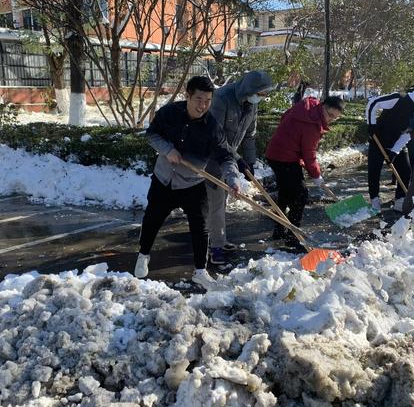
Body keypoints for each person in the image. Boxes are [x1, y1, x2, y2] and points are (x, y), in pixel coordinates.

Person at [134, 76, 240, 288]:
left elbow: (226, 157)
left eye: (207, 101)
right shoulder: (169, 113)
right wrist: (167, 150)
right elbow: (152, 134)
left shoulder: (212, 127)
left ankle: (200, 271)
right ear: (187, 96)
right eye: (198, 99)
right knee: (152, 219)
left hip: (192, 183)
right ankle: (143, 255)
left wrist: (233, 178)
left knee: (201, 228)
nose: (203, 105)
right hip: (164, 179)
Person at [206, 70, 274, 265]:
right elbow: (216, 137)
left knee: (222, 200)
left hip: (229, 156)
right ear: (250, 90)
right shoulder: (222, 99)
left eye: (264, 94)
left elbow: (250, 135)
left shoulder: (250, 104)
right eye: (261, 94)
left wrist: (250, 162)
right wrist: (238, 159)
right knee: (215, 202)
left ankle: (218, 239)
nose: (263, 98)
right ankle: (215, 247)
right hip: (211, 156)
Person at [265, 95, 345, 247]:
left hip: (276, 153)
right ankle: (292, 237)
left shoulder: (307, 107)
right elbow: (309, 154)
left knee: (286, 193)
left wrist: (292, 143)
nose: (331, 119)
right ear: (323, 106)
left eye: (335, 118)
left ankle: (279, 231)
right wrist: (317, 176)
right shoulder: (313, 124)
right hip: (284, 157)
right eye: (330, 115)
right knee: (301, 195)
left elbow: (285, 117)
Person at [365, 86, 414, 212]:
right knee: (374, 171)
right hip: (379, 140)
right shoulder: (399, 98)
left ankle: (400, 199)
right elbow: (374, 103)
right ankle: (375, 200)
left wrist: (394, 151)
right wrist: (371, 125)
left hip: (397, 141)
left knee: (405, 171)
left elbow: (409, 133)